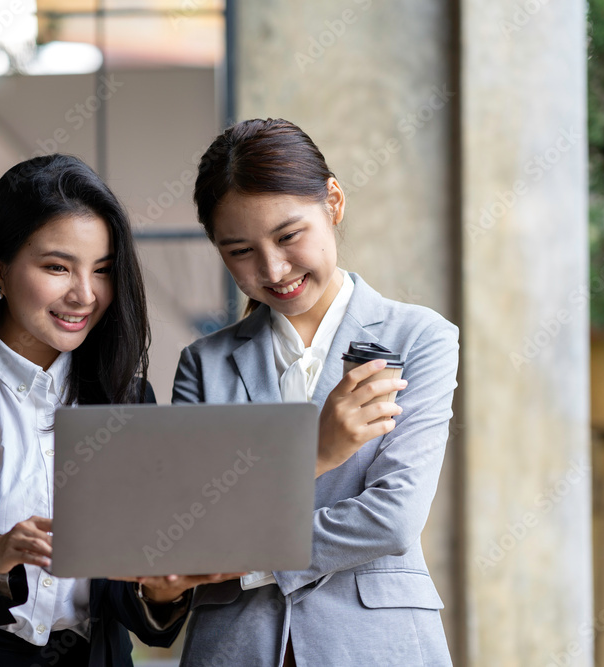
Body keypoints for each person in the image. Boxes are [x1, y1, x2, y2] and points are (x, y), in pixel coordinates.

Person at [0, 154, 229, 666]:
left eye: (101, 270)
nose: (84, 294)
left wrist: (162, 589)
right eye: (57, 267)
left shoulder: (128, 400)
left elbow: (137, 613)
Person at [172, 119, 459, 666]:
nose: (273, 269)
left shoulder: (420, 338)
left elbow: (392, 518)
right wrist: (315, 451)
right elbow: (193, 525)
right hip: (234, 648)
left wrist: (240, 555)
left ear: (333, 200)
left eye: (288, 236)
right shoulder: (203, 365)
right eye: (240, 251)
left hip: (377, 644)